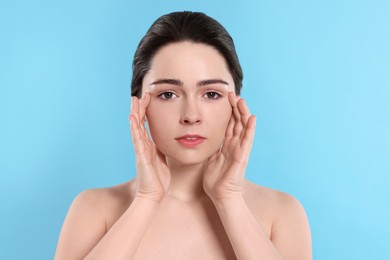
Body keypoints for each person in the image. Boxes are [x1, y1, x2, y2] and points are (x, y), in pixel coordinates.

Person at [55, 11, 312, 259]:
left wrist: (229, 198)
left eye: (211, 94)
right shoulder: (94, 209)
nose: (191, 115)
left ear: (236, 104)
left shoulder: (282, 213)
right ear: (140, 106)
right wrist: (147, 199)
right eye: (168, 94)